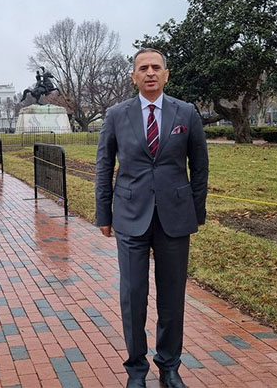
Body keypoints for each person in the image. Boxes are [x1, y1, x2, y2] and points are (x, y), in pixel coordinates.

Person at [95, 48, 208, 388]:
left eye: (156, 67)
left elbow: (199, 166)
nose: (150, 73)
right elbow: (104, 165)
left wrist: (195, 211)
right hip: (130, 217)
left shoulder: (186, 113)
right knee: (133, 296)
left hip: (175, 217)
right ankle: (136, 369)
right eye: (143, 68)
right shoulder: (117, 115)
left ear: (166, 74)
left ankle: (169, 365)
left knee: (172, 296)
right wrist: (104, 213)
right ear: (134, 76)